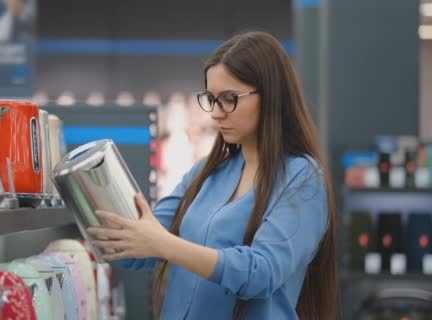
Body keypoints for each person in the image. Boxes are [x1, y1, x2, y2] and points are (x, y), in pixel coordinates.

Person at [87, 31, 337, 320]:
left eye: (229, 99)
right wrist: (87, 198)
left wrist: (166, 244)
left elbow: (261, 273)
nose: (216, 113)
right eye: (211, 99)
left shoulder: (302, 177)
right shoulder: (207, 173)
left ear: (270, 96)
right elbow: (140, 249)